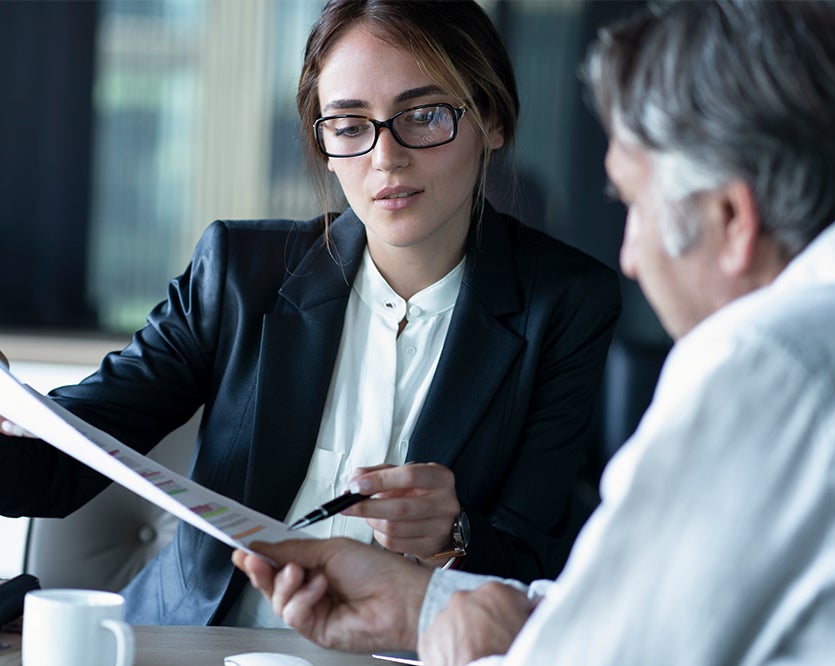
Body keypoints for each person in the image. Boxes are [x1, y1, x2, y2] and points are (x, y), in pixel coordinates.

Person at [232, 0, 835, 666]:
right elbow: (642, 622)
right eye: (350, 124)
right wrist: (423, 608)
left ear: (731, 219)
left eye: (635, 206)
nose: (630, 255)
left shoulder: (769, 365)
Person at [0, 0, 620, 626]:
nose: (385, 158)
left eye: (424, 115)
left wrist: (452, 534)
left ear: (491, 120)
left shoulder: (566, 305)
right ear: (324, 143)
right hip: (193, 658)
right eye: (350, 126)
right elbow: (59, 466)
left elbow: (538, 560)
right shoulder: (239, 272)